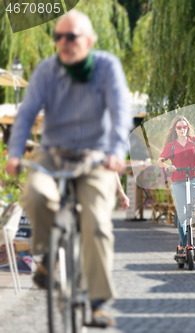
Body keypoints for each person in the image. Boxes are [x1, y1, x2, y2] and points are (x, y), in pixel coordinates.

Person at [4, 10, 131, 327]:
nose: (62, 42)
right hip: (53, 155)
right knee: (34, 196)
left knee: (98, 224)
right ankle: (47, 258)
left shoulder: (106, 68)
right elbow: (26, 113)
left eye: (70, 37)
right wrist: (15, 154)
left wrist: (116, 151)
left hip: (95, 159)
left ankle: (98, 303)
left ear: (88, 41)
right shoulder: (47, 70)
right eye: (58, 37)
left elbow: (120, 113)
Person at [157, 116, 195, 254]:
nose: (182, 129)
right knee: (182, 213)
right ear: (175, 129)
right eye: (179, 127)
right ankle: (184, 244)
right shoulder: (171, 145)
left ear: (188, 128)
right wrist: (168, 166)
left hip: (193, 178)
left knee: (191, 212)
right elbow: (159, 160)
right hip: (178, 180)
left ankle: (182, 244)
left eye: (185, 127)